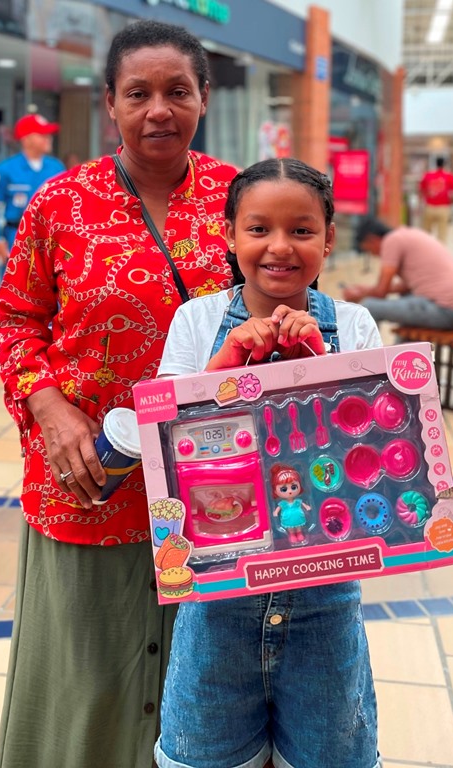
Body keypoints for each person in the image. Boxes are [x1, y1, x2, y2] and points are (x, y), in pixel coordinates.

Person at [0, 20, 238, 768]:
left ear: (204, 97)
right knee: (88, 675)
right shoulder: (60, 203)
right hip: (93, 480)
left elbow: (292, 302)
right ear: (110, 103)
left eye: (177, 91)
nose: (158, 109)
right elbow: (15, 318)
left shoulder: (242, 197)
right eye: (138, 93)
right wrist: (49, 407)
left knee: (204, 684)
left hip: (217, 487)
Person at [156, 157, 381, 768]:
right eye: (258, 229)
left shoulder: (353, 326)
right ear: (229, 235)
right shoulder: (197, 321)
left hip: (325, 599)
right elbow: (167, 456)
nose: (280, 247)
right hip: (216, 601)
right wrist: (223, 367)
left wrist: (318, 363)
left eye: (302, 230)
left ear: (328, 239)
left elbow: (371, 465)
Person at [0, 113, 66, 372]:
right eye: (43, 134)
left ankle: (51, 348)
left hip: (51, 239)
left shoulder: (56, 167)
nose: (49, 138)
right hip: (16, 236)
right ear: (28, 138)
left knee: (56, 294)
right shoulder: (6, 170)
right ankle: (4, 350)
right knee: (14, 296)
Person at [344, 218, 453, 330]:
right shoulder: (407, 234)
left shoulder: (391, 241)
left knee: (370, 306)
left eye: (369, 250)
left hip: (451, 312)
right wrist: (365, 290)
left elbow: (381, 292)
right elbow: (406, 287)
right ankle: (403, 352)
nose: (373, 255)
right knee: (406, 297)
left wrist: (359, 295)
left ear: (372, 240)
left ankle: (370, 355)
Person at [419, 157, 453, 243]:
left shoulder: (427, 175)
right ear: (445, 165)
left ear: (435, 164)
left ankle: (425, 249)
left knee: (426, 233)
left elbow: (421, 191)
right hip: (443, 207)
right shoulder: (450, 176)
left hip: (429, 207)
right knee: (442, 234)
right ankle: (440, 249)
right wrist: (450, 203)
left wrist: (421, 205)